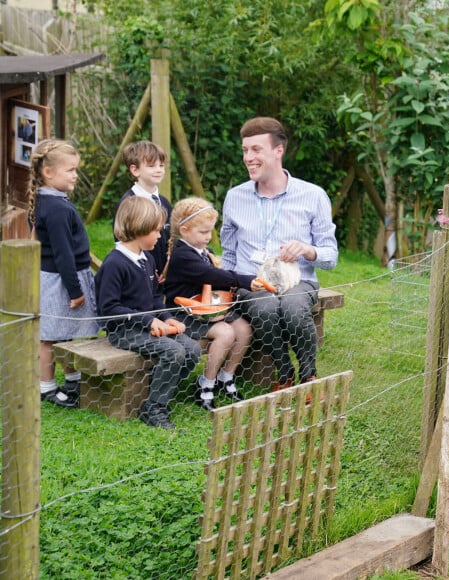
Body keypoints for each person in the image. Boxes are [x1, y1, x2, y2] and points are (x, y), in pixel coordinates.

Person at [220, 117, 338, 391]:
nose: (248, 157)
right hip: (252, 282)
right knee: (266, 306)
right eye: (245, 150)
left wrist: (308, 250)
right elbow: (228, 252)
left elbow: (331, 256)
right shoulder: (234, 197)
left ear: (278, 151)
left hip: (299, 281)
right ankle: (284, 374)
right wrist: (226, 289)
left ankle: (308, 377)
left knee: (294, 308)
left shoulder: (313, 195)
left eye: (256, 149)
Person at [95, 196, 201, 429]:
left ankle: (160, 392)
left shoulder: (147, 258)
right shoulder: (115, 264)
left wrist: (167, 317)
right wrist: (149, 320)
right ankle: (153, 408)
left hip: (149, 324)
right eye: (155, 230)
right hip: (125, 330)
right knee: (173, 351)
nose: (160, 236)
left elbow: (154, 296)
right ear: (137, 229)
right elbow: (109, 308)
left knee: (192, 349)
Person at [163, 197, 266, 410]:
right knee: (226, 333)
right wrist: (246, 280)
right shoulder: (183, 255)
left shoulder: (200, 251)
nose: (208, 237)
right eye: (203, 232)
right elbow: (211, 275)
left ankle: (225, 376)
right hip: (183, 313)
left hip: (207, 308)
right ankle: (205, 385)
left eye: (211, 231)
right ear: (184, 230)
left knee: (244, 329)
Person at [27, 139, 100, 407]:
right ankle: (46, 387)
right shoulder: (56, 208)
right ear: (48, 173)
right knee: (50, 336)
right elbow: (62, 254)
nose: (75, 175)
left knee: (66, 332)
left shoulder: (49, 200)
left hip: (61, 279)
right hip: (60, 281)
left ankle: (72, 380)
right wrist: (76, 291)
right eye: (70, 170)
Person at [113, 140, 172, 281]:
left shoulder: (164, 202)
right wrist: (149, 268)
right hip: (141, 273)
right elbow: (123, 241)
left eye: (161, 165)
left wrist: (168, 266)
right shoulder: (128, 203)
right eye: (151, 166)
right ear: (135, 170)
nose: (158, 170)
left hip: (165, 274)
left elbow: (170, 237)